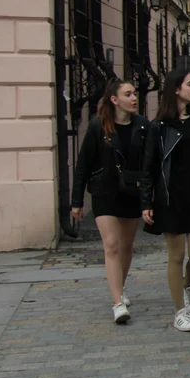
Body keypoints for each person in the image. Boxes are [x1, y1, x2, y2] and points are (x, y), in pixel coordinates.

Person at [140, 69, 190, 333]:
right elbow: (149, 166)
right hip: (170, 197)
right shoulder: (159, 127)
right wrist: (146, 202)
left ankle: (187, 286)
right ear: (176, 89)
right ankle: (180, 312)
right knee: (176, 256)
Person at [71, 79, 148, 324]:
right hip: (104, 191)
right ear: (114, 100)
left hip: (131, 191)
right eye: (128, 94)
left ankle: (120, 287)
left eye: (134, 93)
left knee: (126, 246)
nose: (134, 97)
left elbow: (150, 165)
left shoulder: (143, 126)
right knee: (112, 245)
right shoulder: (98, 126)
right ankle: (117, 304)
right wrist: (77, 200)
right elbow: (83, 164)